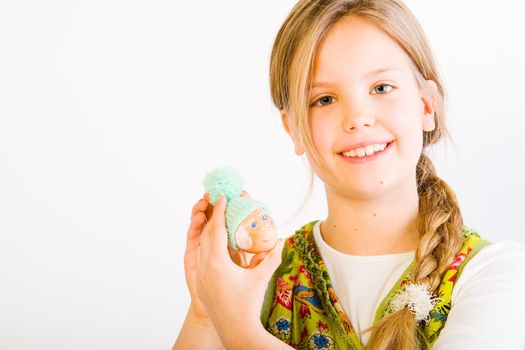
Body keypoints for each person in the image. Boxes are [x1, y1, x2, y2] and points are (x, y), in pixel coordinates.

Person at [173, 0, 525, 349]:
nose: (358, 117)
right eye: (324, 99)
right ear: (293, 129)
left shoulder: (494, 274)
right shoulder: (252, 281)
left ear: (426, 106)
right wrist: (205, 313)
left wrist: (241, 334)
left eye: (381, 88)